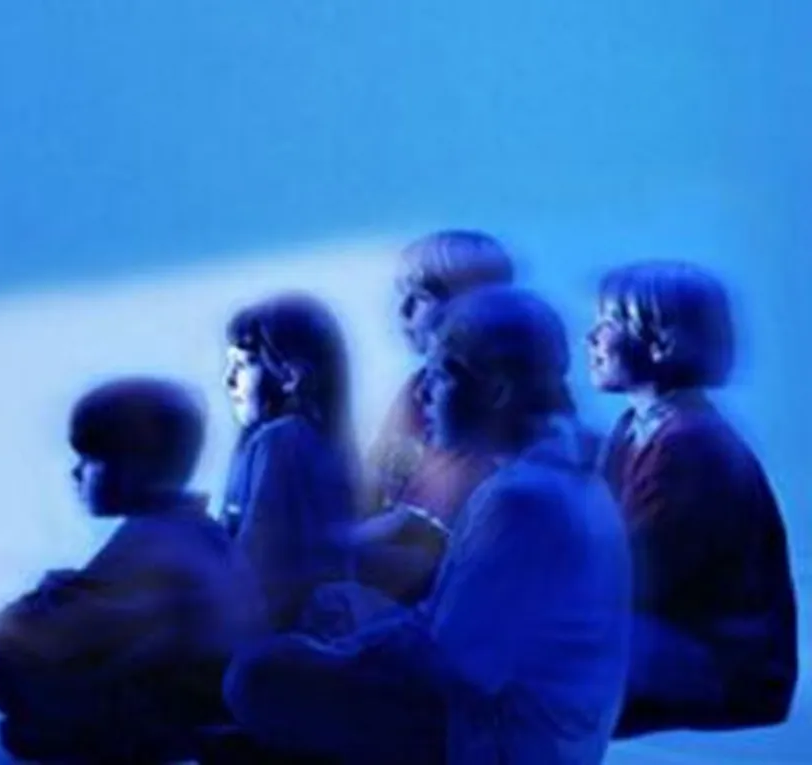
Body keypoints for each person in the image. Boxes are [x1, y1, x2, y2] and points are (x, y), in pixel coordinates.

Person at [222, 287, 631, 765]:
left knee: (257, 675)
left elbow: (452, 668)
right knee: (327, 613)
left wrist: (346, 650)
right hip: (517, 721)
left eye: (439, 374)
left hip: (497, 740)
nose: (423, 393)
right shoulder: (552, 481)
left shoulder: (523, 499)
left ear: (495, 390)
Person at [0, 377, 257, 762]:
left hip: (182, 713)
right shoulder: (197, 530)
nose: (77, 473)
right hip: (203, 699)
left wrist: (38, 602)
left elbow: (57, 634)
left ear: (135, 466)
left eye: (90, 458)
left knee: (3, 666)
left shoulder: (156, 539)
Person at [587, 261, 797, 736]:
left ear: (662, 343)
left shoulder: (691, 445)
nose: (592, 338)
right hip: (669, 640)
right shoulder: (632, 429)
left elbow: (635, 573)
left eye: (609, 322)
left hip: (722, 670)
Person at [357, 230, 516, 603]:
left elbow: (454, 525)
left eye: (421, 297)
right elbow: (378, 478)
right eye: (403, 296)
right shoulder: (415, 389)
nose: (403, 312)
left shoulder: (501, 401)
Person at [220, 292, 361, 631]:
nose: (229, 380)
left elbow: (258, 570)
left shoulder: (282, 441)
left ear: (289, 377)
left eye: (244, 364)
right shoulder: (311, 444)